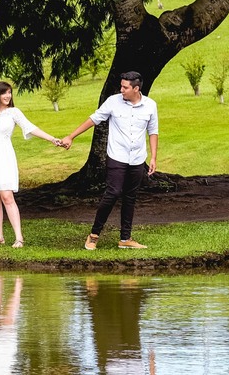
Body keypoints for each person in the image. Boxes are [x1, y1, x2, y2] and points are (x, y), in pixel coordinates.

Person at [63, 71, 158, 250]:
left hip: (138, 158)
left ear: (136, 89)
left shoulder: (150, 106)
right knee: (113, 193)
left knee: (130, 197)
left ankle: (125, 239)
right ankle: (93, 234)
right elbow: (94, 119)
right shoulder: (113, 101)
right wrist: (71, 136)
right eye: (121, 86)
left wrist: (153, 157)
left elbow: (153, 131)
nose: (121, 90)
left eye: (125, 87)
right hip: (117, 156)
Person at [0, 81, 65, 248]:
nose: (8, 96)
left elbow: (30, 128)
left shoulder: (13, 113)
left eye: (9, 92)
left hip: (4, 156)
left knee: (7, 196)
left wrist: (52, 139)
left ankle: (19, 238)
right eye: (4, 93)